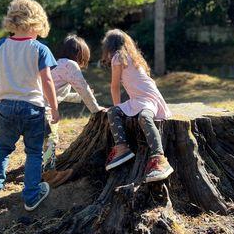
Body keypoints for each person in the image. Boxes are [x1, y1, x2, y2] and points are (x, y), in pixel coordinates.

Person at [0, 0, 59, 211]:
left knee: (3, 148)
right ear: (36, 23)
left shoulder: (2, 45)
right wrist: (55, 107)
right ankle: (31, 195)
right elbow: (47, 80)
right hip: (32, 108)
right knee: (34, 152)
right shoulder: (40, 49)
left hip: (6, 106)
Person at [101, 28, 173, 182]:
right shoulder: (133, 57)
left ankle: (159, 157)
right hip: (138, 99)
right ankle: (122, 148)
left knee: (144, 117)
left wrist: (117, 107)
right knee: (115, 112)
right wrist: (118, 109)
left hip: (148, 98)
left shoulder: (118, 58)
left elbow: (114, 86)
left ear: (110, 46)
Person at [42, 34, 103, 184]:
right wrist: (96, 109)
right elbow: (84, 88)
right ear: (80, 54)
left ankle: (37, 170)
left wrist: (79, 98)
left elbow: (59, 93)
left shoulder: (56, 64)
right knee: (50, 140)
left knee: (38, 142)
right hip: (43, 110)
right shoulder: (70, 65)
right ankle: (50, 175)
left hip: (31, 106)